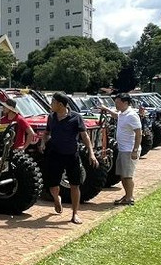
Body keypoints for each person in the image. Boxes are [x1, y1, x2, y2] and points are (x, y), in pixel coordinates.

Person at [39, 92, 98, 225]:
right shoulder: (51, 117)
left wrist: (91, 153)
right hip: (55, 155)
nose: (51, 105)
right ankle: (56, 199)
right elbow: (47, 133)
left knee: (74, 185)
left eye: (53, 102)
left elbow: (85, 136)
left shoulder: (76, 117)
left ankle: (74, 214)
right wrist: (43, 142)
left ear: (60, 104)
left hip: (71, 155)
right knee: (53, 185)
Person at [101, 93, 142, 206]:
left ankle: (130, 197)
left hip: (129, 150)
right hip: (123, 149)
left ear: (125, 103)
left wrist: (135, 150)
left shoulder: (132, 115)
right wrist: (106, 109)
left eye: (118, 103)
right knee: (123, 175)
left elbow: (139, 133)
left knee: (128, 175)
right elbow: (116, 115)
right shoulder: (123, 113)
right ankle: (127, 195)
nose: (116, 105)